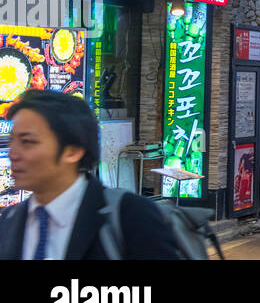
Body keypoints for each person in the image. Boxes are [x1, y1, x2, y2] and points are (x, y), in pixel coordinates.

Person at [0, 90, 182, 260]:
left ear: (73, 151)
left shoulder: (130, 216)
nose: (12, 153)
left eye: (27, 142)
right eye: (12, 140)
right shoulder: (10, 220)